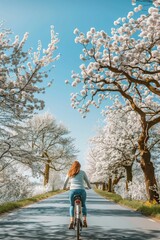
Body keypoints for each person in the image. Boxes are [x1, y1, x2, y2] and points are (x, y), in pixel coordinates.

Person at [63, 160, 92, 229]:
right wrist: (89, 187)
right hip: (82, 190)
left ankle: (72, 221)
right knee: (84, 205)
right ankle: (84, 220)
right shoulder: (82, 172)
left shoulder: (70, 173)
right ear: (79, 167)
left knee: (72, 205)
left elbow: (65, 183)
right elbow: (88, 182)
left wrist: (65, 188)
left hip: (72, 191)